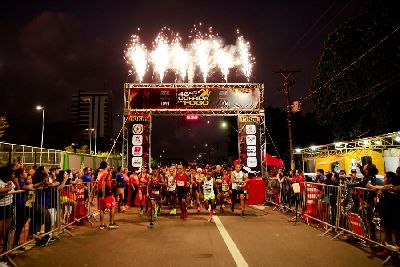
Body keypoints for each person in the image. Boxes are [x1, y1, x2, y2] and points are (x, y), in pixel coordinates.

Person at [97, 161, 118, 230]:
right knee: (113, 206)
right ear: (105, 166)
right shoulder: (106, 173)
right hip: (106, 191)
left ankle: (102, 225)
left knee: (102, 209)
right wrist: (103, 194)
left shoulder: (100, 172)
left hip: (100, 191)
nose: (109, 165)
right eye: (108, 164)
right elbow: (103, 182)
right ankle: (111, 223)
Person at [0, 167, 15, 252]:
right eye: (11, 174)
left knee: (6, 231)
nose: (13, 175)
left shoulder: (10, 182)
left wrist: (9, 187)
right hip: (1, 208)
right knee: (0, 233)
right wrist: (8, 188)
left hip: (9, 206)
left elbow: (14, 188)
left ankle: (4, 251)